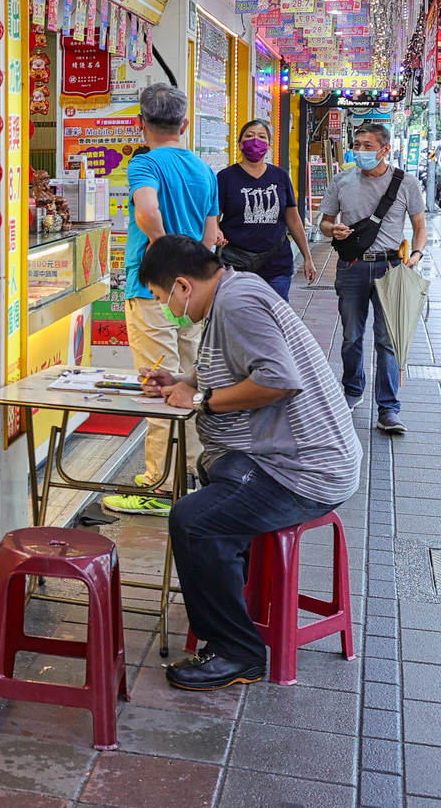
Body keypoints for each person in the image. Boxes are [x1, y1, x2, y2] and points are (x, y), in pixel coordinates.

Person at [136, 236, 360, 691]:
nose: (167, 309)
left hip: (303, 470)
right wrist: (182, 380)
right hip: (280, 460)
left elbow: (278, 381)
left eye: (162, 299)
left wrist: (200, 399)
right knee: (211, 491)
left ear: (183, 286)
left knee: (193, 519)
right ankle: (230, 601)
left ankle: (237, 652)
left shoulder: (236, 303)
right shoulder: (232, 294)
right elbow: (235, 365)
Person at [103, 83, 220, 514]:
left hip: (151, 291)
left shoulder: (145, 163)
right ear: (184, 124)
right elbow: (209, 237)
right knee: (189, 380)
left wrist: (161, 248)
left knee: (158, 385)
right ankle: (191, 476)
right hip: (193, 297)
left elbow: (147, 211)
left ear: (142, 124)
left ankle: (158, 484)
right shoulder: (204, 169)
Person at [319, 123, 427, 433]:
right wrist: (332, 230)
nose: (360, 151)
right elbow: (324, 222)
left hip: (391, 268)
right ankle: (352, 392)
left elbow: (420, 228)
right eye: (357, 145)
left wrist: (416, 257)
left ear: (384, 149)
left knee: (387, 340)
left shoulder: (406, 183)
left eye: (368, 145)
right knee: (352, 336)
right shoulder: (341, 181)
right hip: (352, 267)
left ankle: (388, 409)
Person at [216, 119, 316, 300]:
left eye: (262, 137)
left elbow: (293, 218)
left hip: (276, 263)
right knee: (240, 316)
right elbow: (215, 217)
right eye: (249, 136)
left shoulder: (280, 176)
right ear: (239, 144)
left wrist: (307, 257)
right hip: (237, 264)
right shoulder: (225, 177)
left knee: (275, 319)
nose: (255, 141)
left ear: (269, 145)